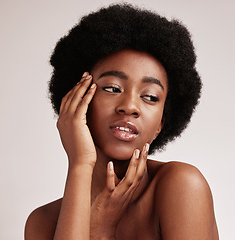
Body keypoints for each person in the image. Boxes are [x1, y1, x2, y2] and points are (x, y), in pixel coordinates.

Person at [25, 3, 219, 240]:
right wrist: (81, 164)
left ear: (160, 125)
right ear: (77, 101)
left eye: (150, 97)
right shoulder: (44, 222)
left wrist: (102, 233)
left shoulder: (181, 186)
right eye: (112, 88)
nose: (129, 106)